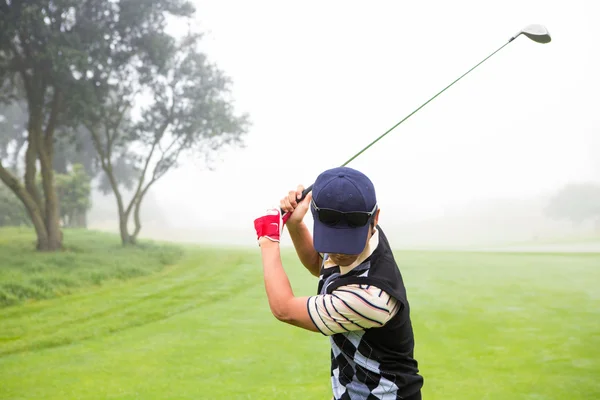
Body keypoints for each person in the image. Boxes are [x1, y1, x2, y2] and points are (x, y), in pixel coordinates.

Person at [253, 166, 424, 400]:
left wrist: (268, 240)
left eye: (347, 242)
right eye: (331, 240)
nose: (338, 253)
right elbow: (320, 266)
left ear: (375, 219)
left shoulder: (371, 297)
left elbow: (284, 309)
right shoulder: (365, 234)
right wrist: (295, 224)